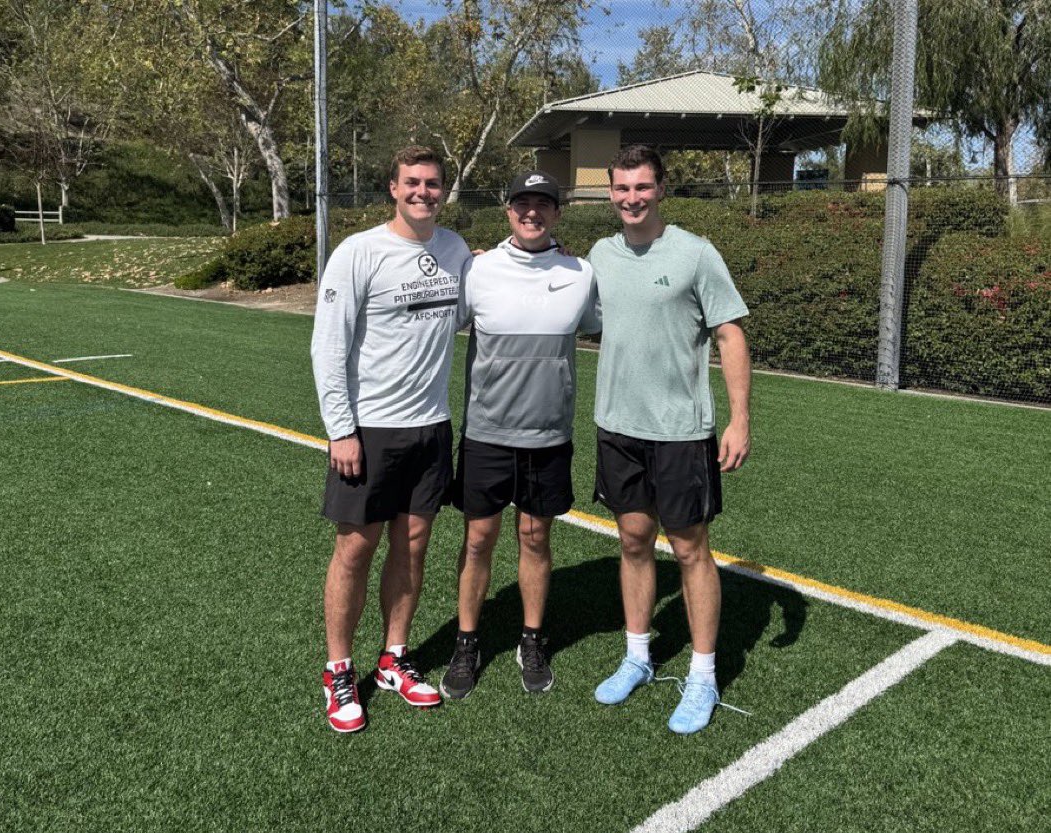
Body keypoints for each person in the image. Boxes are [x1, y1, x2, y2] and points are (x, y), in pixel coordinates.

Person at [588, 145, 751, 735]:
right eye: (622, 188)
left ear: (661, 190)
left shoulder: (695, 253)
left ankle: (703, 675)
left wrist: (739, 421)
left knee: (689, 549)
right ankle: (638, 656)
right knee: (633, 540)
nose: (632, 198)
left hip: (681, 432)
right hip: (617, 427)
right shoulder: (600, 254)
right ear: (611, 193)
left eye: (642, 187)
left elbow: (730, 336)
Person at [311, 145, 472, 733]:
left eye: (432, 183)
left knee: (413, 546)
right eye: (412, 182)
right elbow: (326, 347)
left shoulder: (455, 251)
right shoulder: (359, 252)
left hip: (431, 428)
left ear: (443, 191)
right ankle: (338, 670)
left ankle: (394, 659)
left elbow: (465, 314)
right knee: (355, 549)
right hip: (369, 431)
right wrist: (341, 431)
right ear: (393, 187)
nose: (422, 192)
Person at [440, 170, 600, 700]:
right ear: (508, 211)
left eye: (543, 204)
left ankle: (531, 639)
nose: (531, 213)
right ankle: (467, 641)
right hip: (487, 433)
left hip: (549, 437)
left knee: (535, 538)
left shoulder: (581, 273)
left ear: (558, 213)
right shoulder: (478, 270)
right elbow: (438, 328)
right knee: (479, 538)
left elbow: (608, 326)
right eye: (521, 204)